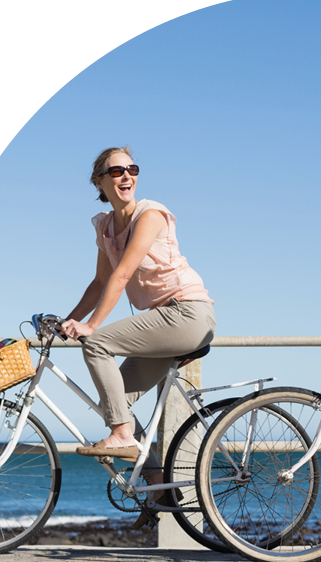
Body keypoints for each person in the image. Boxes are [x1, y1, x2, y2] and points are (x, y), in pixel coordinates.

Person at [61, 146, 215, 527]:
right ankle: (159, 490)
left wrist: (91, 327)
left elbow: (123, 273)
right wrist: (68, 321)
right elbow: (99, 282)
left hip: (188, 312)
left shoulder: (150, 214)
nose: (126, 176)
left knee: (97, 346)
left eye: (132, 169)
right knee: (115, 400)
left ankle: (122, 436)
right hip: (163, 320)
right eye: (116, 171)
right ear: (99, 181)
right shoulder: (104, 226)